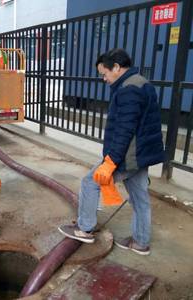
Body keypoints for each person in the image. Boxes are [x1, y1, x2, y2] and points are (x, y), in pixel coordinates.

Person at [58, 48, 164, 255]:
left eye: (104, 73)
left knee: (90, 182)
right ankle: (141, 243)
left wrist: (110, 162)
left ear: (116, 67)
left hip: (130, 156)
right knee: (140, 199)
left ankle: (84, 228)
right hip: (142, 154)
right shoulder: (142, 82)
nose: (104, 78)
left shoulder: (128, 89)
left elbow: (125, 129)